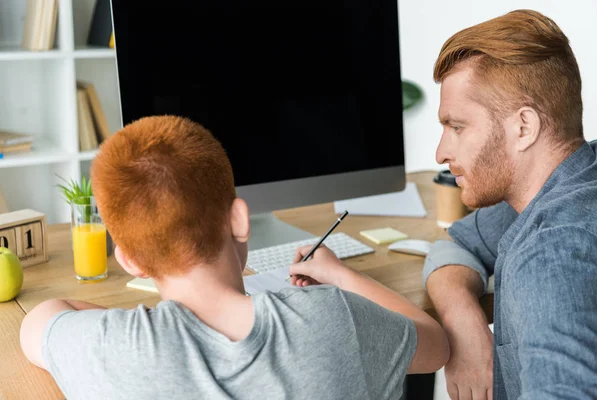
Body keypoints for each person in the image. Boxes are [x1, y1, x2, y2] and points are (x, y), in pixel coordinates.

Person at [19, 115, 449, 400]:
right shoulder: (337, 318)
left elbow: (42, 317)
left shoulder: (108, 346)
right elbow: (436, 345)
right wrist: (341, 277)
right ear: (240, 219)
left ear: (129, 259)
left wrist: (143, 321)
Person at [420, 9, 597, 400]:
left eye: (457, 126)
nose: (440, 152)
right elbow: (457, 242)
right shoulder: (571, 181)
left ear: (523, 127)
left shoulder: (552, 252)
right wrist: (462, 319)